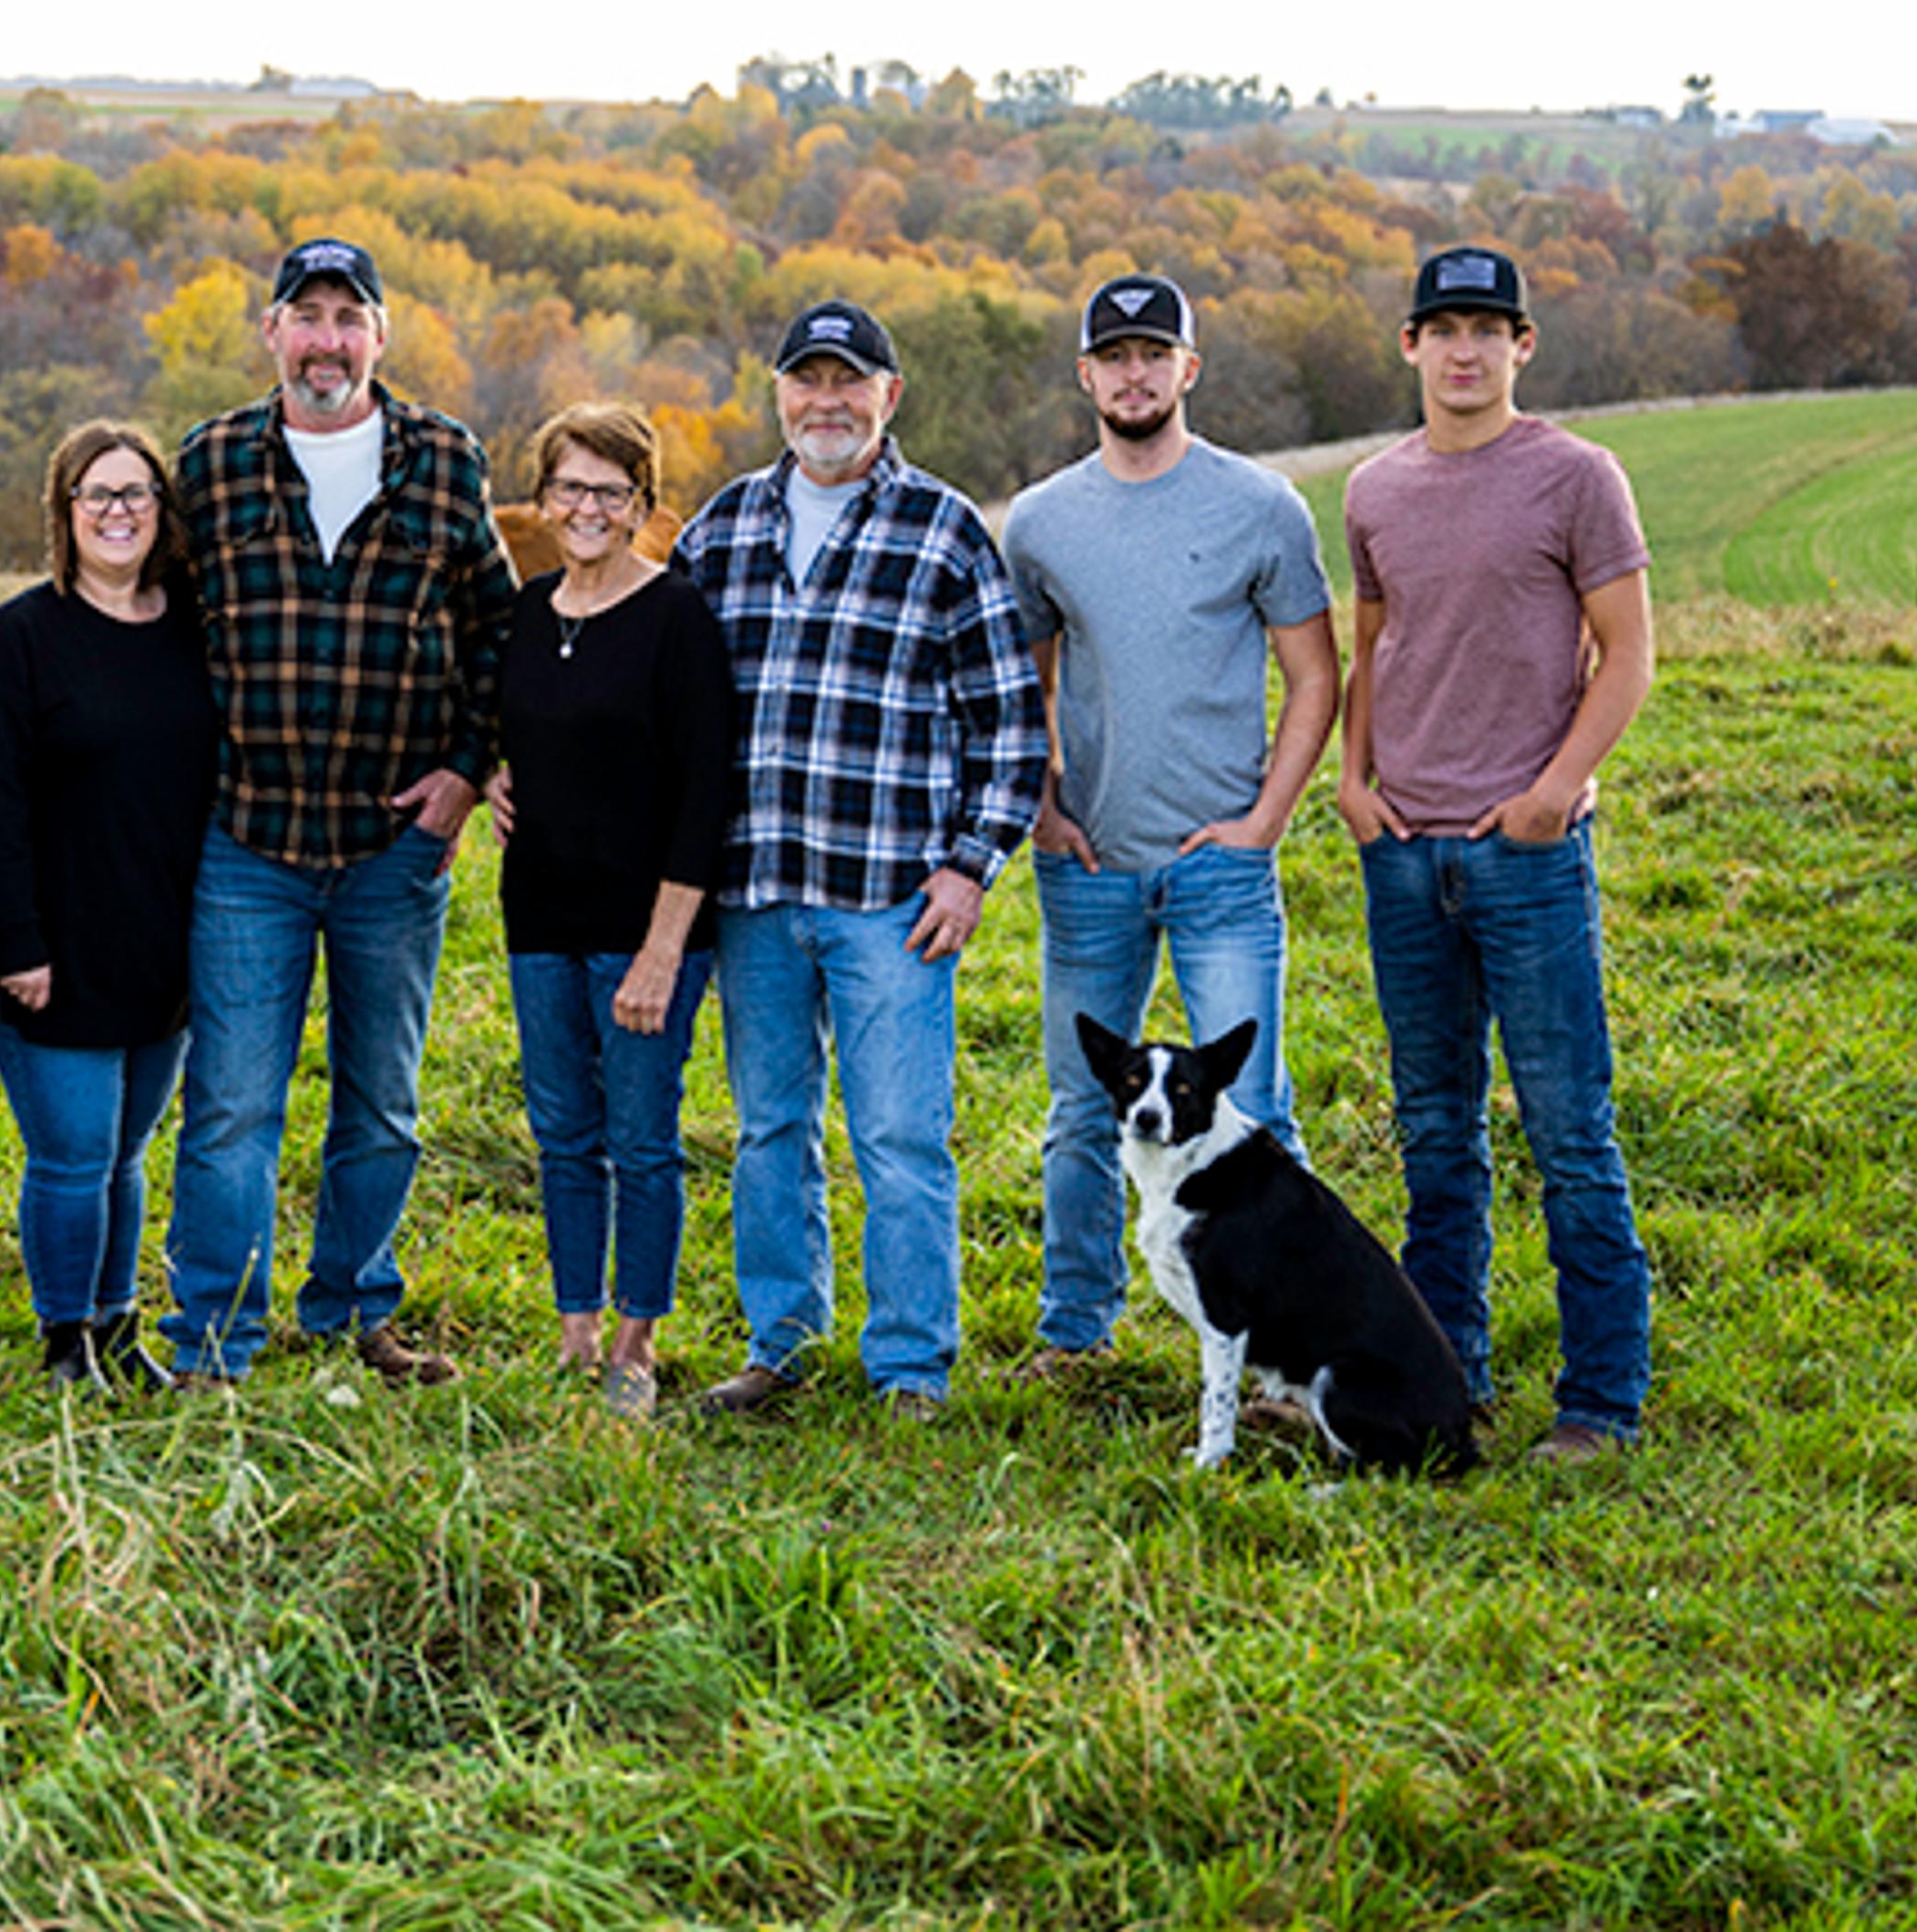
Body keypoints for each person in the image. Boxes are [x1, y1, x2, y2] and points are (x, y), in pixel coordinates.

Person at [671, 297, 1046, 1420]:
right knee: (769, 1127)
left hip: (890, 893)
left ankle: (910, 1366)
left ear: (891, 396)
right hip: (753, 889)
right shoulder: (725, 525)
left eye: (851, 380)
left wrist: (971, 864)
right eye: (807, 378)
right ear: (779, 390)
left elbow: (1010, 722)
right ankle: (782, 1342)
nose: (826, 401)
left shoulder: (942, 528)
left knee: (898, 1133)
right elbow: (655, 693)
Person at [161, 236, 519, 1390]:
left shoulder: (444, 461)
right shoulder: (210, 463)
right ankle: (215, 1332)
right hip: (246, 838)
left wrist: (468, 766)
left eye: (347, 315)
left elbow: (498, 632)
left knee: (383, 1100)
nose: (326, 338)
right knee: (230, 1105)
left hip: (390, 845)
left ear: (381, 333)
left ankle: (352, 1307)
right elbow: (156, 629)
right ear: (271, 332)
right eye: (304, 314)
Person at [1339, 243, 1658, 1465]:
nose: (1464, 349)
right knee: (1435, 1133)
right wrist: (1356, 785)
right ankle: (1449, 1379)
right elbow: (1374, 641)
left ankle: (1598, 1404)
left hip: (1526, 854)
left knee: (1569, 1129)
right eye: (1443, 327)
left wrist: (1554, 790)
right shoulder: (1374, 488)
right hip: (1404, 854)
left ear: (1524, 346)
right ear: (1410, 345)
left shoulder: (1577, 476)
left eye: (1489, 327)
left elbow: (1625, 652)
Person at [999, 273, 1340, 1369]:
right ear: (1087, 374)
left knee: (1262, 1113)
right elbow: (1024, 681)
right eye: (1115, 355)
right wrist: (1043, 806)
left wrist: (1265, 821)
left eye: (1157, 353)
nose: (1135, 373)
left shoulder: (1262, 507)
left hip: (1221, 867)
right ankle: (1075, 1332)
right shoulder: (1043, 520)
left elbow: (1315, 677)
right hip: (1091, 863)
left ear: (1189, 369)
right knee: (1075, 1115)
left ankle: (1282, 1350)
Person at [0, 422, 221, 1390]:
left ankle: (117, 1326)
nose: (120, 510)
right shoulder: (22, 637)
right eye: (97, 494)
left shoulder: (196, 627)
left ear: (164, 509)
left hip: (160, 939)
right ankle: (64, 1340)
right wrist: (19, 943)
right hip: (47, 941)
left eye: (138, 492)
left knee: (127, 1150)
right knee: (72, 1153)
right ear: (63, 513)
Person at [492, 403, 735, 1420]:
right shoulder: (528, 611)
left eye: (610, 490)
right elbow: (515, 729)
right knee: (561, 1134)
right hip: (540, 914)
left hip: (647, 929)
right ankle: (575, 1328)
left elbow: (706, 791)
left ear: (643, 504)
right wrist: (499, 772)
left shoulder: (676, 616)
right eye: (570, 487)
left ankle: (636, 1342)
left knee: (640, 1135)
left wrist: (662, 948)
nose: (587, 507)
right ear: (542, 500)